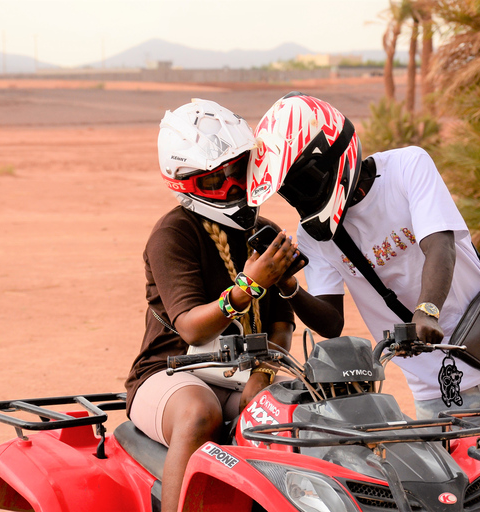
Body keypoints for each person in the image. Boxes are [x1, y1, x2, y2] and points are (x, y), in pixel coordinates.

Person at [247, 92, 480, 512]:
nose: (299, 197)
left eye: (302, 182)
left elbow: (440, 245)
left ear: (330, 154)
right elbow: (330, 321)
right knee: (464, 491)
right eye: (289, 191)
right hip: (434, 379)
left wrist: (428, 310)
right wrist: (287, 286)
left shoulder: (407, 167)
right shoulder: (318, 235)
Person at [125, 99, 300, 512]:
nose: (232, 189)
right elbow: (191, 328)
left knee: (302, 412)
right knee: (198, 413)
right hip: (168, 373)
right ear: (184, 184)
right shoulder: (173, 234)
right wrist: (246, 286)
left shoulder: (264, 231)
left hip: (242, 375)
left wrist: (265, 370)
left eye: (237, 172)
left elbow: (281, 324)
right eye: (212, 182)